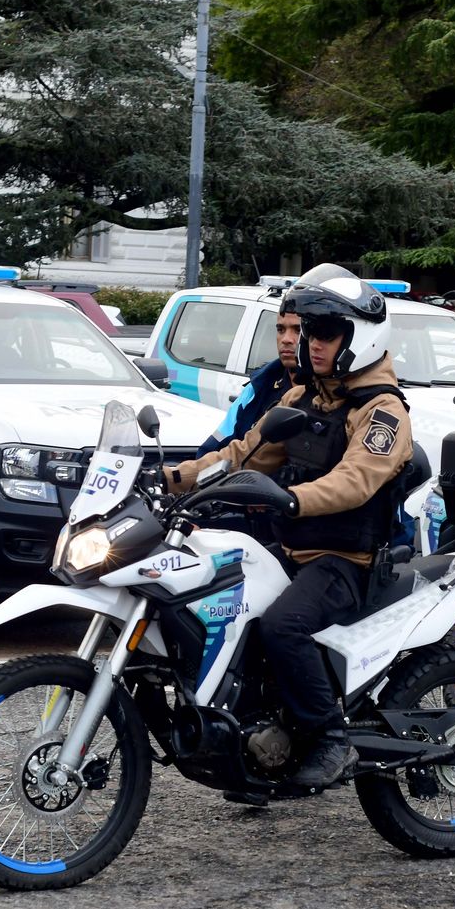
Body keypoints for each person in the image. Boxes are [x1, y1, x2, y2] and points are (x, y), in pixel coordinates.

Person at [166, 263, 413, 790]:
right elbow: (242, 454)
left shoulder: (383, 411)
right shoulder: (303, 397)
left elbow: (355, 482)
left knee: (283, 626)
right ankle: (249, 737)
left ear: (360, 338)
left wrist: (291, 499)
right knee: (218, 602)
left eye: (325, 333)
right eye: (307, 331)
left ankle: (330, 740)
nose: (311, 343)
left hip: (347, 561)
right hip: (292, 550)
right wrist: (172, 478)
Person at [197, 307, 301, 455]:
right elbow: (213, 448)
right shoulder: (258, 386)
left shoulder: (331, 397)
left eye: (298, 330)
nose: (286, 339)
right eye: (280, 329)